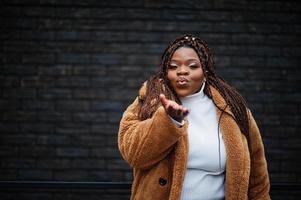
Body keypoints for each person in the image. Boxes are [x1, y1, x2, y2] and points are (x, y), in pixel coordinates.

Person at [118, 34, 270, 200]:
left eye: (192, 66)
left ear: (205, 71)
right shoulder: (148, 101)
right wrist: (169, 121)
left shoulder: (233, 109)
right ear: (165, 71)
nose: (182, 71)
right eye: (173, 66)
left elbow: (258, 178)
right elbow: (133, 155)